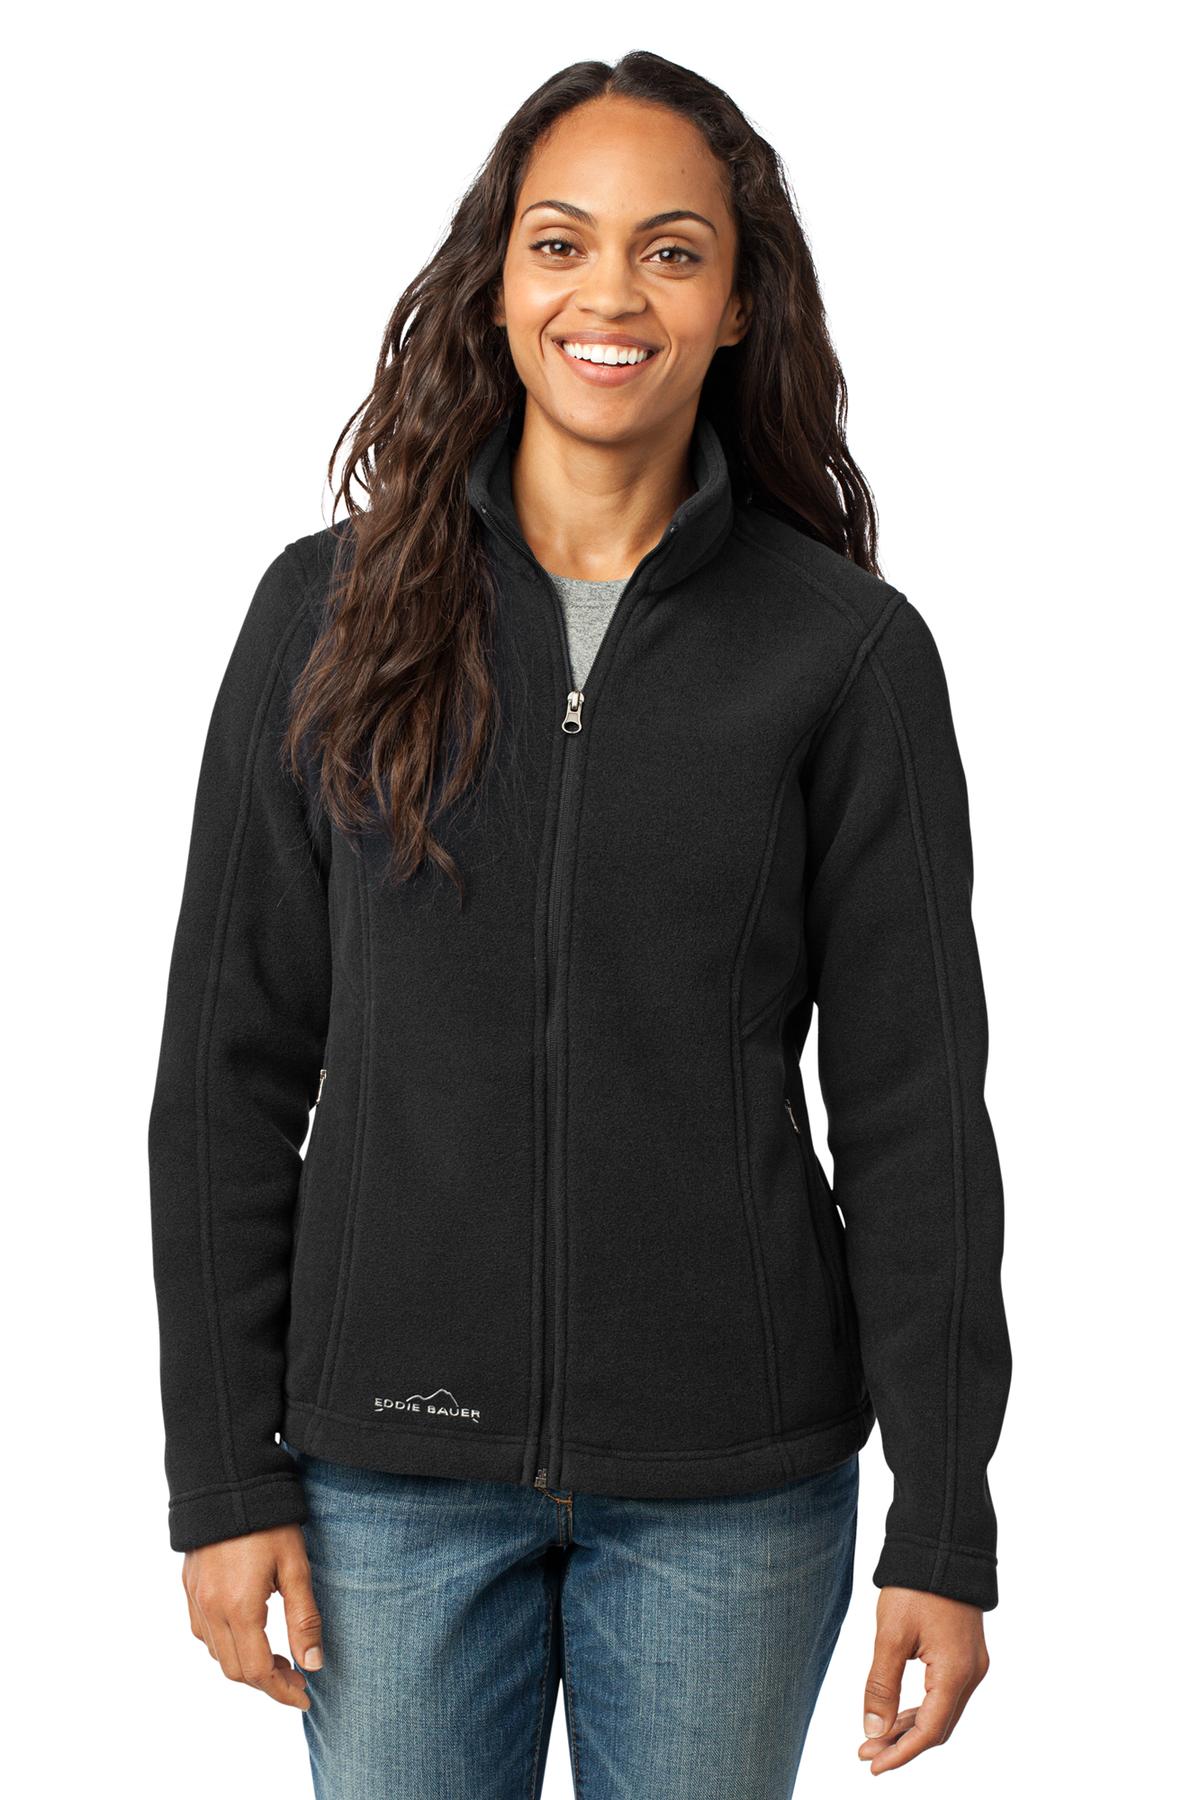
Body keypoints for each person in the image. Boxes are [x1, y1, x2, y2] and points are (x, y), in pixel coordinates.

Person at [148, 50, 1012, 1799]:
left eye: (671, 251)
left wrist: (944, 1516)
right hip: (388, 1480)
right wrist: (224, 1479)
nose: (609, 294)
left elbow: (915, 1111)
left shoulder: (843, 655)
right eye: (561, 243)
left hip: (731, 1493)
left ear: (740, 303)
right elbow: (226, 1076)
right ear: (498, 280)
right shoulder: (325, 617)